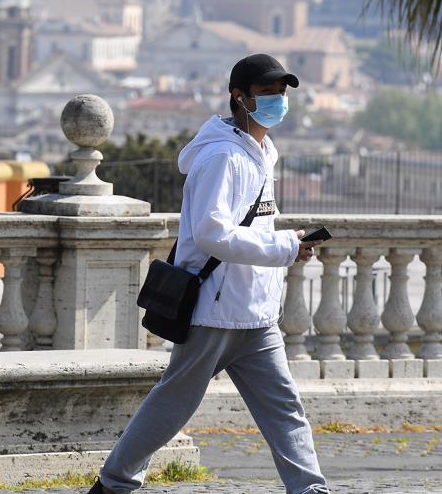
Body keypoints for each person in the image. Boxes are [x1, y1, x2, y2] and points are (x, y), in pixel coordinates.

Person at [89, 54, 329, 494]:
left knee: (285, 409)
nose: (278, 100)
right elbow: (213, 233)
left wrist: (288, 244)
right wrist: (283, 247)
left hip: (256, 312)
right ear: (240, 97)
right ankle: (114, 484)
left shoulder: (261, 150)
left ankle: (311, 489)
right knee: (172, 406)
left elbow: (249, 225)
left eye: (282, 92)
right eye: (267, 93)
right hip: (213, 313)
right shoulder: (221, 156)